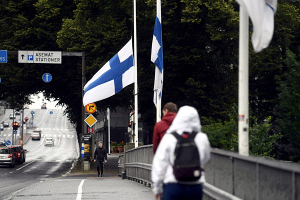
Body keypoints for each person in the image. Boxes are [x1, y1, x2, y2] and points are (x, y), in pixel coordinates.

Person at [151, 106, 211, 200]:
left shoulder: (169, 138)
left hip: (173, 184)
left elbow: (159, 164)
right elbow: (206, 158)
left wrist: (157, 188)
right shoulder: (202, 138)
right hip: (195, 185)